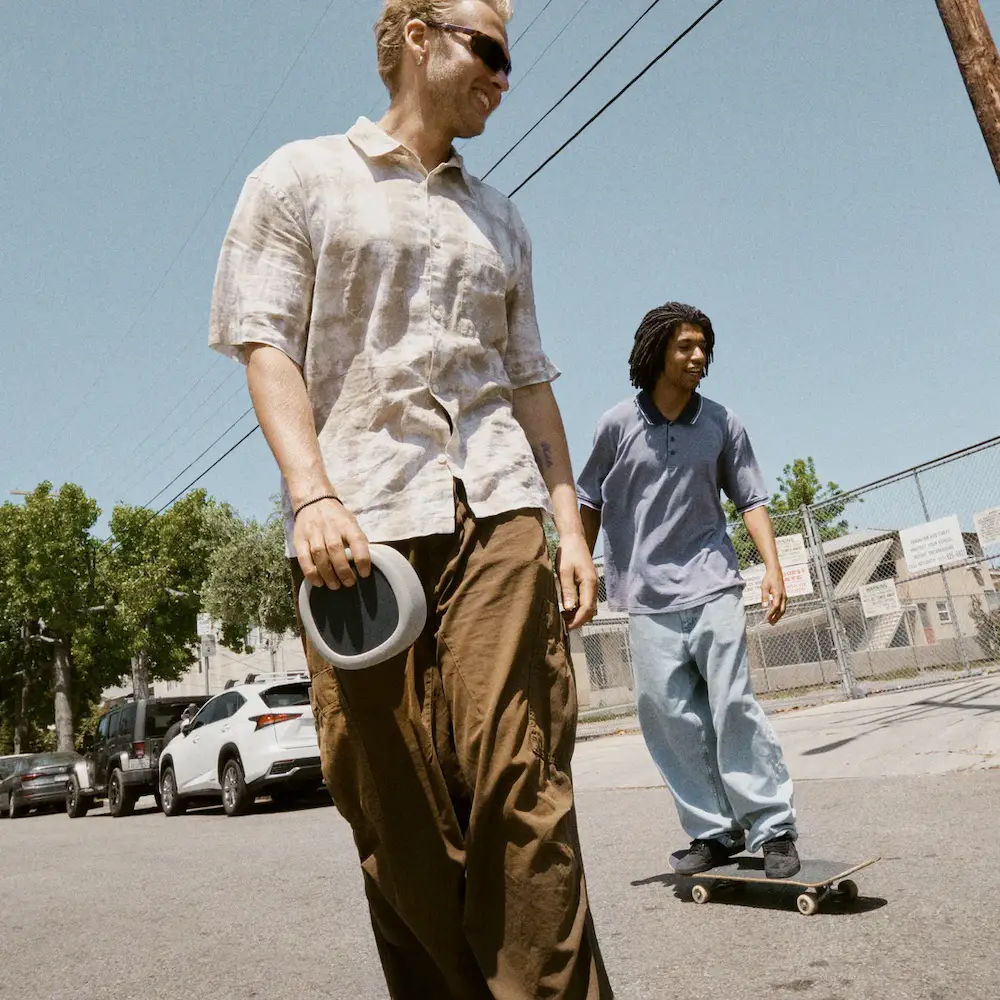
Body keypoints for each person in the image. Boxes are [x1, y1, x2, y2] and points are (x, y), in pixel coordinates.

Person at [208, 2, 613, 997]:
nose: (505, 75)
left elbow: (526, 382)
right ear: (420, 33)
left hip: (498, 509)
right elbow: (267, 344)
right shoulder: (300, 177)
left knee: (519, 785)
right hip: (362, 536)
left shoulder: (500, 217)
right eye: (491, 50)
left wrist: (567, 523)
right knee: (393, 808)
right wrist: (309, 497)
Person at [576, 302, 801, 879]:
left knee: (732, 704)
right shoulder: (616, 426)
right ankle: (714, 832)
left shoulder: (722, 423)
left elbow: (751, 498)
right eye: (686, 347)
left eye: (704, 347)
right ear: (656, 352)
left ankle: (772, 826)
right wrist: (575, 563)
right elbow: (587, 501)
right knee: (668, 717)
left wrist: (771, 568)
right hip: (646, 595)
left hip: (713, 582)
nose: (699, 357)